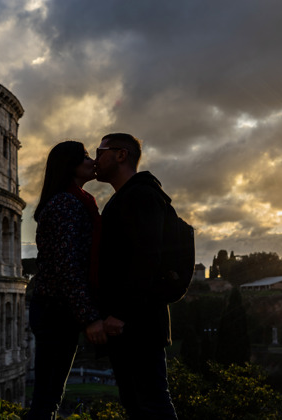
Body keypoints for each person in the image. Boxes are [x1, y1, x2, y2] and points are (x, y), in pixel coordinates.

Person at [95, 133, 178, 420]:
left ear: (121, 155)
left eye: (100, 151)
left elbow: (147, 258)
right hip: (131, 321)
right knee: (137, 404)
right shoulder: (129, 196)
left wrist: (119, 313)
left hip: (136, 322)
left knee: (151, 403)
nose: (95, 160)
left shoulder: (140, 195)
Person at [28, 141, 107, 420]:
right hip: (55, 310)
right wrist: (89, 317)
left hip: (57, 309)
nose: (91, 161)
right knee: (48, 397)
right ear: (71, 166)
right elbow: (67, 266)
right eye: (85, 157)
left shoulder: (73, 201)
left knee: (49, 395)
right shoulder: (66, 203)